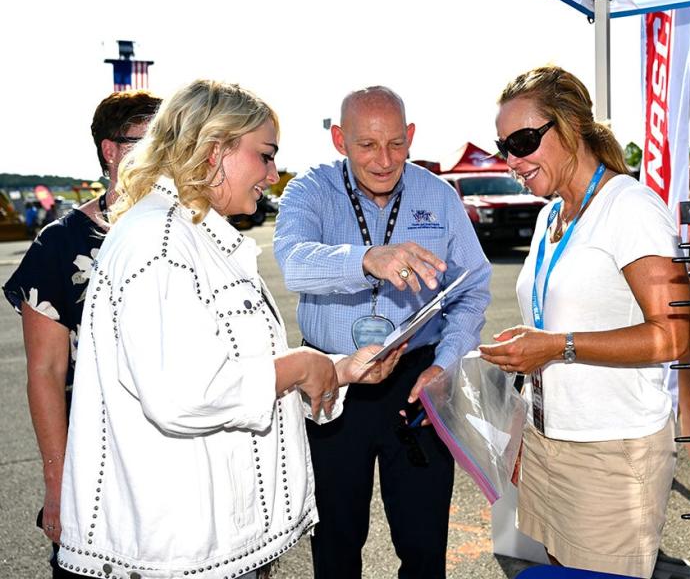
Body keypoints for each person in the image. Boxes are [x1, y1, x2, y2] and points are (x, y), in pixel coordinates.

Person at [54, 79, 402, 579]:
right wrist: (302, 363)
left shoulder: (195, 236)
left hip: (212, 547)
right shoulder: (161, 242)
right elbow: (182, 394)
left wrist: (337, 370)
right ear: (215, 150)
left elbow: (235, 371)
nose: (273, 173)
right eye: (264, 155)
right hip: (174, 556)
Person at [477, 65, 690, 577]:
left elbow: (678, 335)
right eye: (504, 146)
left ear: (571, 126)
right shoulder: (554, 215)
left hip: (613, 452)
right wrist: (528, 428)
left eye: (524, 141)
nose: (513, 161)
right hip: (550, 443)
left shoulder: (630, 208)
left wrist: (556, 346)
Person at [273, 86, 492, 579]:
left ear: (411, 136)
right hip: (331, 379)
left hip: (416, 383)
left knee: (423, 539)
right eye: (367, 145)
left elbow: (474, 287)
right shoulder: (309, 190)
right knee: (335, 539)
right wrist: (368, 259)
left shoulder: (438, 194)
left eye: (396, 143)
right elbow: (291, 263)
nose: (384, 160)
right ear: (339, 140)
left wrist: (444, 363)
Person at [3, 90, 161, 578]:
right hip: (98, 465)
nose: (163, 153)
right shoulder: (61, 243)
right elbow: (47, 372)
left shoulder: (189, 231)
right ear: (110, 151)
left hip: (179, 458)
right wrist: (58, 482)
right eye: (147, 141)